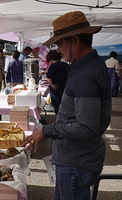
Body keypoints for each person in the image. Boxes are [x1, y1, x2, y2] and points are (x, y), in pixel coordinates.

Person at [22, 11, 111, 200]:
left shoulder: (86, 75)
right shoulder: (86, 66)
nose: (58, 50)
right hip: (74, 160)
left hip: (76, 162)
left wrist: (47, 130)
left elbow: (87, 127)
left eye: (60, 44)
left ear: (76, 41)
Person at [46, 50, 69, 115]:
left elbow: (48, 78)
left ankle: (58, 121)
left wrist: (52, 84)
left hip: (56, 89)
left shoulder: (52, 66)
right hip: (65, 88)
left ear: (51, 58)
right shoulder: (66, 65)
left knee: (57, 107)